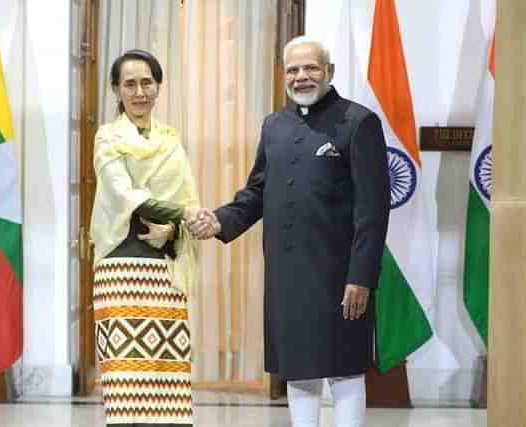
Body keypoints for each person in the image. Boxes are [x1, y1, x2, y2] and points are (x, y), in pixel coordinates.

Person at [186, 36, 390, 427]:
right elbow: (258, 192)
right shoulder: (274, 126)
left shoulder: (359, 123)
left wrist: (361, 277)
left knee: (345, 369)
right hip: (287, 277)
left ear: (329, 72)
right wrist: (220, 219)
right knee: (300, 371)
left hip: (341, 278)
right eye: (293, 70)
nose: (302, 77)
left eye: (311, 68)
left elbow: (374, 211)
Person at [90, 49, 200, 427]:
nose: (139, 92)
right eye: (130, 84)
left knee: (166, 376)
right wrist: (184, 215)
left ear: (158, 86)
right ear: (117, 90)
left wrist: (174, 229)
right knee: (124, 377)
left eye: (147, 82)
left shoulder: (171, 140)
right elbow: (125, 195)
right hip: (121, 265)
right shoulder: (107, 138)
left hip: (165, 269)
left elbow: (186, 197)